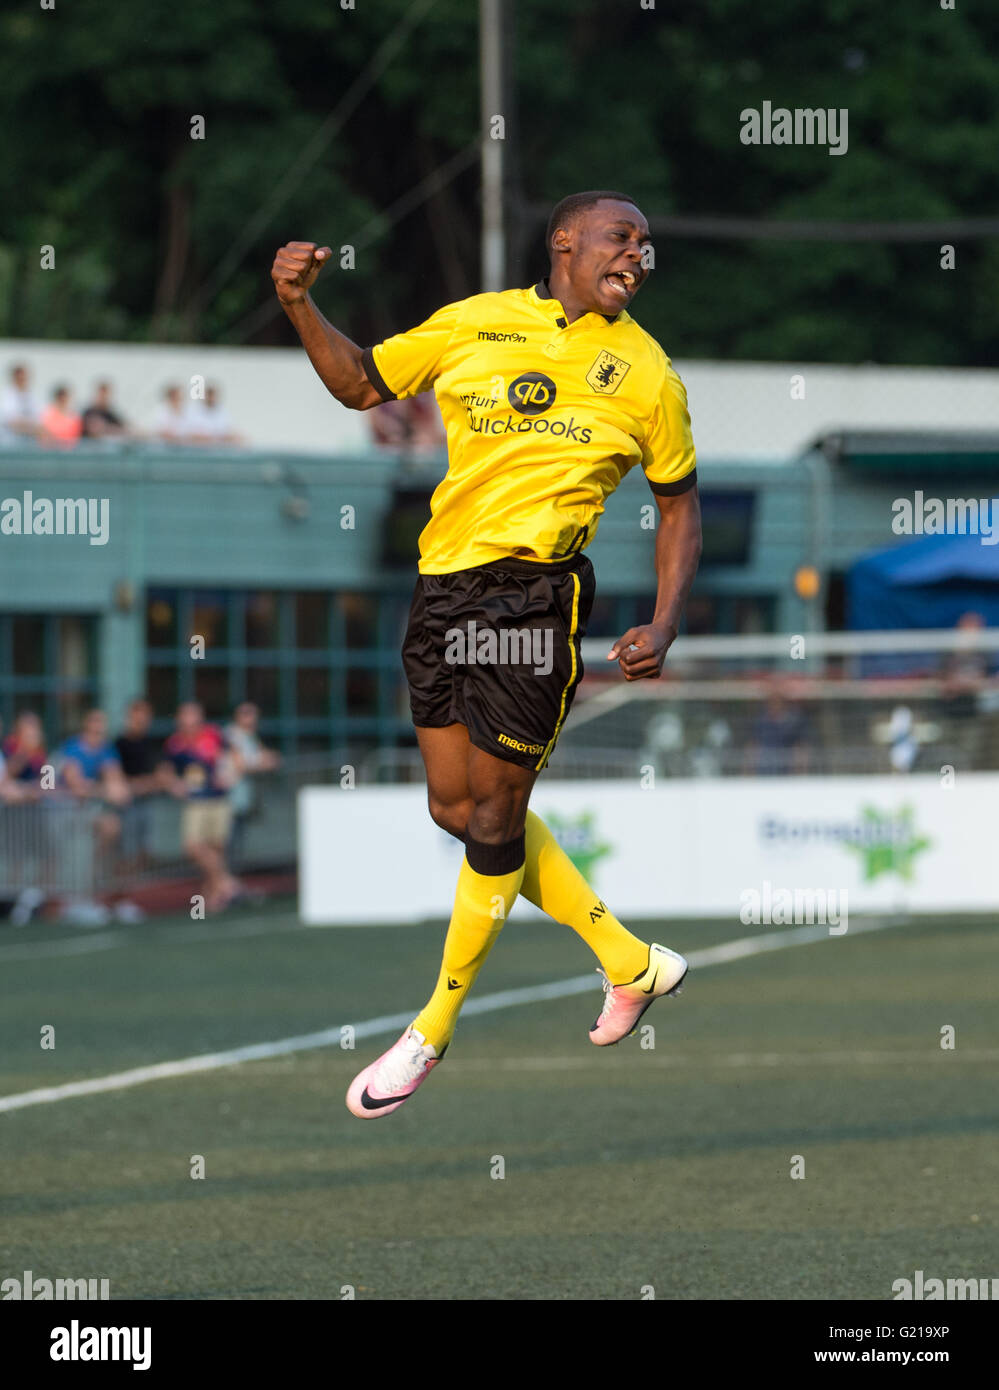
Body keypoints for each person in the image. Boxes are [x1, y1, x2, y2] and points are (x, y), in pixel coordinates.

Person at [271, 189, 702, 1120]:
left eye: (645, 243)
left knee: (496, 819)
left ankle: (431, 1027)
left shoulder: (648, 374)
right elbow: (359, 383)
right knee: (454, 810)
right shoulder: (477, 323)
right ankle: (631, 963)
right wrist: (300, 304)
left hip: (536, 598)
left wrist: (665, 620)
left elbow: (678, 504)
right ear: (564, 242)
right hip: (441, 590)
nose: (637, 252)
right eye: (621, 237)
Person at [162, 702, 242, 912]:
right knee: (194, 847)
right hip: (196, 802)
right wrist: (174, 785)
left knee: (216, 847)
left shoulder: (213, 735)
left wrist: (230, 775)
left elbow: (233, 757)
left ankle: (212, 896)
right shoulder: (175, 743)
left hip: (218, 799)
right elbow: (167, 771)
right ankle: (226, 882)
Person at [223, 701, 281, 868]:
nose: (252, 718)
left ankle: (228, 882)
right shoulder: (232, 735)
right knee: (228, 842)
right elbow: (241, 765)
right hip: (229, 797)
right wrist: (266, 764)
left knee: (236, 841)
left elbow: (262, 754)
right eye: (246, 713)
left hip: (242, 798)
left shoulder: (249, 735)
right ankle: (224, 884)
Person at [114, 698, 163, 869]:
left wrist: (148, 783)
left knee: (144, 850)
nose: (142, 720)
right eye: (138, 716)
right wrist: (138, 784)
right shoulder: (119, 743)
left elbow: (160, 774)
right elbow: (116, 775)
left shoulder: (150, 743)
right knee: (126, 851)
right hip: (127, 806)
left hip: (146, 802)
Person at [0, 363, 42, 439]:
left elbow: (38, 419)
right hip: (11, 442)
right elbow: (12, 421)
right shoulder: (8, 395)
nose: (23, 381)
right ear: (14, 378)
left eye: (24, 378)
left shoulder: (31, 396)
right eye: (20, 379)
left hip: (29, 441)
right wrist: (32, 428)